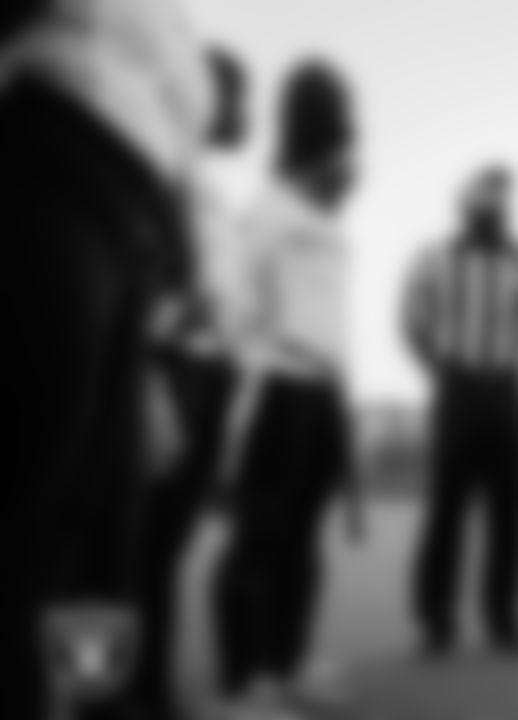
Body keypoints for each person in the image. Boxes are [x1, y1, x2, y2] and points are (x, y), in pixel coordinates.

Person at [0, 1, 212, 718]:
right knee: (32, 528)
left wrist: (150, 347)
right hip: (51, 174)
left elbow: (175, 140)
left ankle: (94, 706)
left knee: (98, 549)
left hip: (128, 230)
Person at [211, 58, 364, 720]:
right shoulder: (269, 205)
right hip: (276, 388)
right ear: (314, 125)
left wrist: (341, 389)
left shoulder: (326, 214)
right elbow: (240, 302)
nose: (354, 140)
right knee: (258, 542)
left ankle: (286, 665)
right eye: (341, 117)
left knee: (303, 541)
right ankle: (243, 688)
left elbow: (329, 311)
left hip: (325, 392)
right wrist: (262, 359)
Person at [130, 45, 252, 720]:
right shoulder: (149, 160)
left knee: (161, 552)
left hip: (207, 372)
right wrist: (148, 366)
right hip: (159, 366)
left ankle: (149, 694)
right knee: (118, 556)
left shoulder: (202, 180)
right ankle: (101, 698)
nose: (245, 113)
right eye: (237, 95)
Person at [403, 166, 518, 659]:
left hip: (508, 388)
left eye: (502, 197)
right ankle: (435, 620)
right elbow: (411, 318)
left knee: (511, 514)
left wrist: (510, 358)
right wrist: (441, 368)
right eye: (484, 195)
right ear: (464, 201)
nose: (493, 205)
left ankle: (504, 618)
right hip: (456, 387)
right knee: (446, 510)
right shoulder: (433, 257)